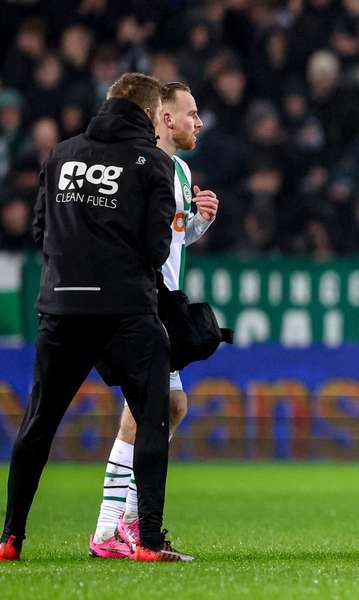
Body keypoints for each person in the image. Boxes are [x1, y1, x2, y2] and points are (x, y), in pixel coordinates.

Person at [0, 73, 192, 562]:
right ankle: (146, 538)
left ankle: (10, 537)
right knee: (153, 414)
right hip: (125, 311)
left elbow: (41, 229)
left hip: (61, 307)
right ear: (152, 115)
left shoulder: (61, 154)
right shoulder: (152, 162)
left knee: (38, 422)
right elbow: (156, 247)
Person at [89, 82, 217, 558]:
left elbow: (176, 238)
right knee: (151, 406)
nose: (198, 122)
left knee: (172, 405)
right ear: (165, 118)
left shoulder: (181, 171)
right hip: (137, 301)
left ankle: (119, 522)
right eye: (191, 113)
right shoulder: (139, 166)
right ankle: (112, 527)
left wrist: (200, 221)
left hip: (163, 300)